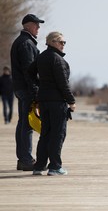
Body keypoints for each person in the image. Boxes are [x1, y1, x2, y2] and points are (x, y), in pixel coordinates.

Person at [28, 31, 76, 176]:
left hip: (44, 100)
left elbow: (30, 72)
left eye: (64, 42)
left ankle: (39, 166)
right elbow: (63, 83)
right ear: (52, 42)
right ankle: (55, 166)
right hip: (57, 101)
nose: (63, 45)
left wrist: (41, 85)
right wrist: (71, 101)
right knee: (58, 134)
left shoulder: (41, 57)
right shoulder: (57, 60)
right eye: (61, 42)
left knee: (46, 133)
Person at [10, 14, 45, 171]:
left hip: (20, 87)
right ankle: (26, 159)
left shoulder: (23, 41)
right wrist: (35, 92)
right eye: (36, 25)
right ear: (28, 25)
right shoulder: (26, 44)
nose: (39, 28)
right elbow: (29, 71)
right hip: (26, 88)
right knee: (27, 124)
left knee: (23, 123)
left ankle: (23, 158)